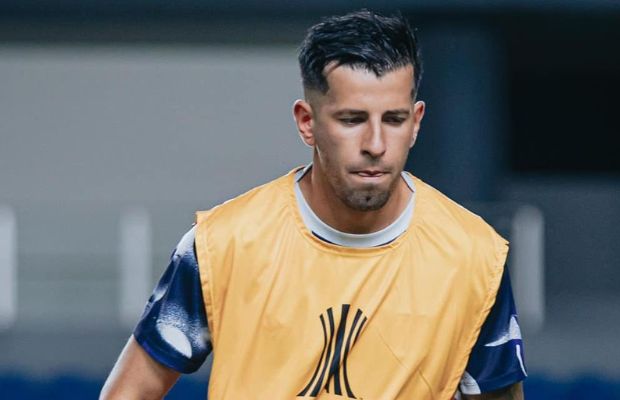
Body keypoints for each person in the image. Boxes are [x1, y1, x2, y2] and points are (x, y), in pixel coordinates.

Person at [100, 10, 527, 400]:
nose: (376, 144)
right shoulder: (222, 245)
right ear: (308, 122)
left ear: (415, 123)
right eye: (352, 120)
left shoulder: (474, 257)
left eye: (393, 120)